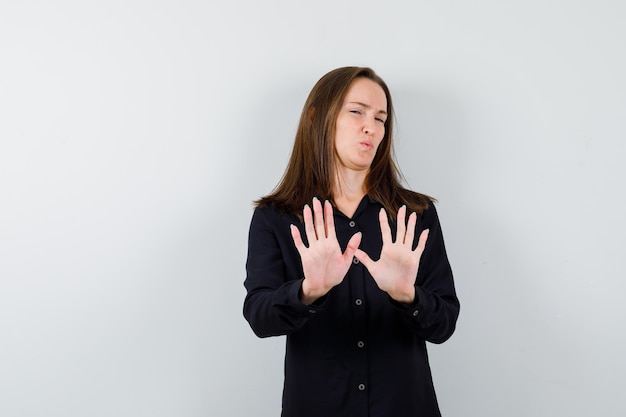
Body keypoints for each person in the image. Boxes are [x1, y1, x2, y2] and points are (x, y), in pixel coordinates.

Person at [243, 66, 460, 417]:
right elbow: (259, 318)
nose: (371, 128)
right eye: (356, 111)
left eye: (381, 118)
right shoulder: (276, 217)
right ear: (317, 117)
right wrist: (308, 290)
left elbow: (445, 323)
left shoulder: (414, 215)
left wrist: (408, 296)